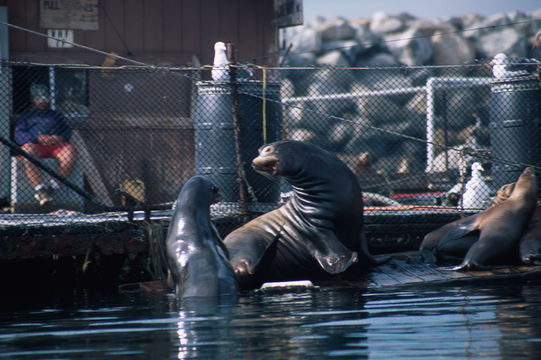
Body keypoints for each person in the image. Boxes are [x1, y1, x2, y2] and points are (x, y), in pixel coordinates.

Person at [14, 84, 77, 205]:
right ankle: (40, 189)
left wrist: (59, 138)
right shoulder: (27, 115)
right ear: (32, 99)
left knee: (70, 153)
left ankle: (52, 187)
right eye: (39, 99)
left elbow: (67, 131)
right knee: (27, 151)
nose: (43, 102)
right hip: (36, 146)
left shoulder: (56, 115)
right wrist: (37, 138)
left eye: (45, 99)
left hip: (55, 146)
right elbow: (19, 135)